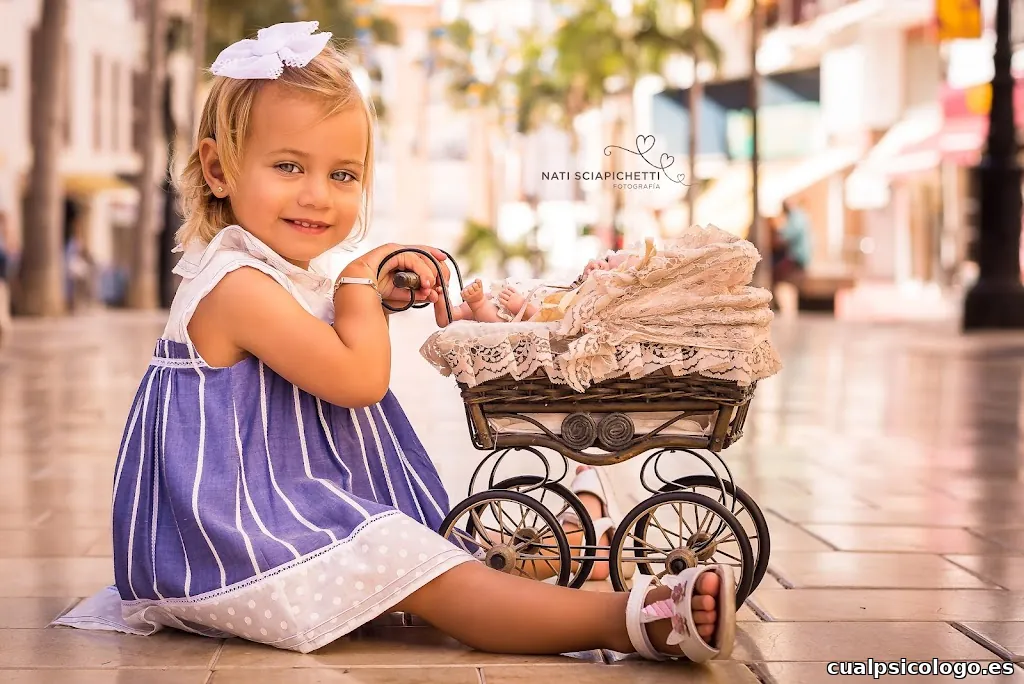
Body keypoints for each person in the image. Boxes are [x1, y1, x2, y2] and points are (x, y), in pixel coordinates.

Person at [52, 22, 736, 663]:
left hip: (279, 512)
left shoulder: (274, 277)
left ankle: (558, 547)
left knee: (433, 550)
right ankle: (635, 620)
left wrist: (371, 296)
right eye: (288, 166)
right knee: (413, 568)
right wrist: (356, 281)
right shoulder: (234, 283)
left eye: (343, 174)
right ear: (220, 168)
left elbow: (330, 340)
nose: (319, 195)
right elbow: (358, 380)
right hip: (228, 545)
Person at [772, 199, 812, 317]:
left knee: (777, 273)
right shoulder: (798, 216)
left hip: (798, 256)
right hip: (798, 255)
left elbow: (789, 233)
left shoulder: (796, 216)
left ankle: (777, 306)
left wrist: (778, 234)